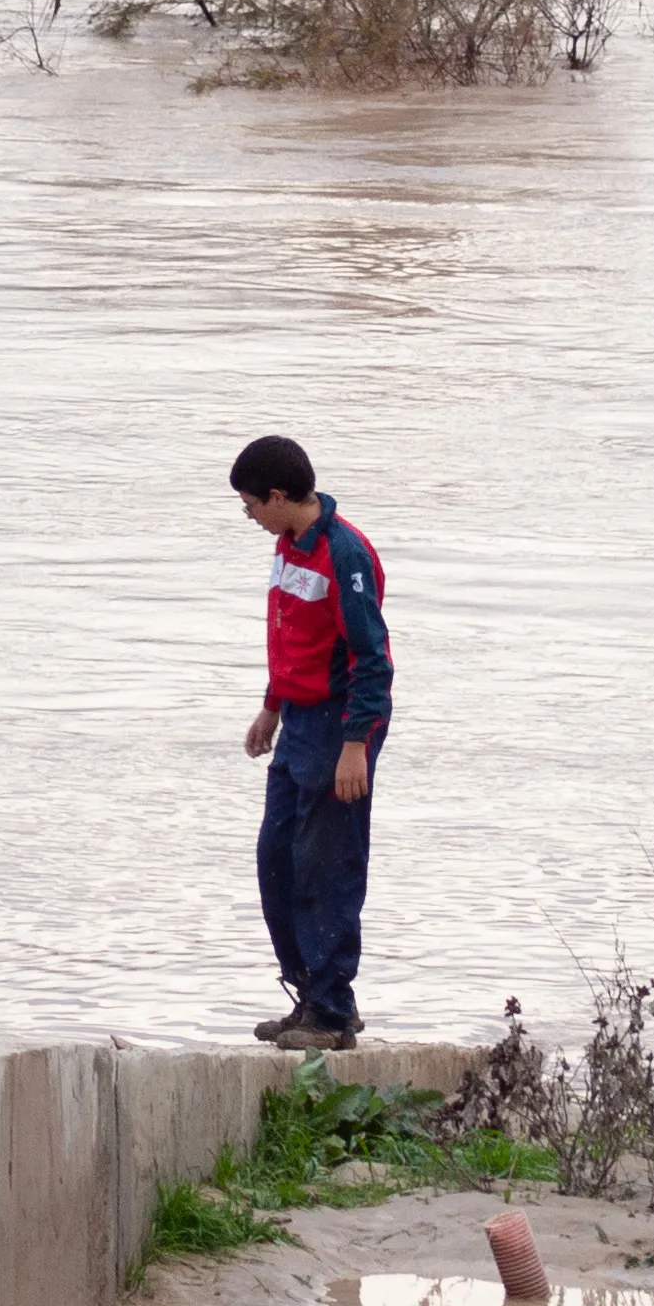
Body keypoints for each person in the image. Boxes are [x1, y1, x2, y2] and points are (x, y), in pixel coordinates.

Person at [233, 432, 390, 1050]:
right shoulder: (288, 544)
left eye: (250, 503)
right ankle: (309, 997)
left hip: (337, 724)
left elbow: (371, 659)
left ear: (278, 495)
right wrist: (270, 708)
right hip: (297, 720)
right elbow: (291, 635)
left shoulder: (344, 553)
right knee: (278, 860)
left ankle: (332, 1010)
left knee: (326, 867)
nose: (247, 515)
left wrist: (356, 745)